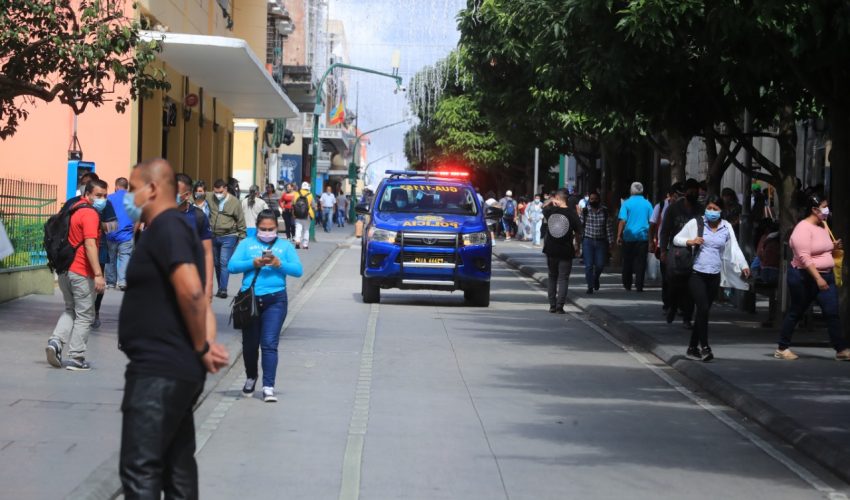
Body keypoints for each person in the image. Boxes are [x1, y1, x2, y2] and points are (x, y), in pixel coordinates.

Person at [118, 158, 228, 498]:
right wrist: (205, 343)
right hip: (173, 369)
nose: (128, 198)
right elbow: (197, 295)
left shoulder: (167, 227)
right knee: (176, 467)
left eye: (133, 190)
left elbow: (193, 292)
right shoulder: (170, 229)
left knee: (141, 468)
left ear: (151, 189)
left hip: (159, 372)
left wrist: (201, 346)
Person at [227, 209, 303, 402]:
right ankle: (251, 377)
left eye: (271, 229)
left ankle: (268, 386)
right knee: (250, 345)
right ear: (257, 228)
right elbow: (232, 266)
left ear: (277, 228)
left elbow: (298, 270)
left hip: (275, 300)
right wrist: (254, 262)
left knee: (269, 344)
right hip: (250, 300)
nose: (267, 232)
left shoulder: (285, 246)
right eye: (263, 229)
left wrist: (279, 264)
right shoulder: (247, 243)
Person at [673, 195, 750, 362]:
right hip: (696, 273)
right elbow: (676, 239)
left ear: (721, 211)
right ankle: (705, 347)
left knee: (703, 311)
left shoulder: (726, 227)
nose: (712, 212)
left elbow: (734, 248)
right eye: (709, 208)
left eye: (715, 209)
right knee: (702, 309)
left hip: (714, 275)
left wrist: (743, 265)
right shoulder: (697, 223)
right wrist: (691, 241)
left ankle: (692, 347)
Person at [775, 195, 850, 361]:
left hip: (826, 275)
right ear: (814, 210)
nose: (827, 210)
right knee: (796, 311)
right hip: (805, 277)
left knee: (832, 312)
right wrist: (818, 278)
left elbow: (821, 248)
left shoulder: (822, 226)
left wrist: (833, 246)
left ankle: (841, 349)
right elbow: (805, 257)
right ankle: (782, 347)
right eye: (824, 207)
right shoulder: (802, 229)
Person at [45, 179, 109, 371]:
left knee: (70, 309)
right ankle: (76, 357)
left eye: (105, 196)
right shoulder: (89, 214)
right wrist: (98, 274)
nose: (102, 199)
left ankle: (56, 342)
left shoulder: (72, 210)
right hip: (81, 271)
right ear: (87, 194)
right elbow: (90, 244)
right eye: (98, 195)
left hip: (65, 270)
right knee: (85, 315)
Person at [660, 179, 703, 328]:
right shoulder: (673, 209)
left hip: (694, 253)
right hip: (676, 253)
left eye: (695, 190)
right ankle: (672, 306)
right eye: (690, 190)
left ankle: (687, 317)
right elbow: (665, 231)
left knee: (691, 287)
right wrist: (663, 250)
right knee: (674, 285)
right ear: (685, 192)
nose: (693, 193)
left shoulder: (701, 209)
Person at [542, 189, 583, 313]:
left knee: (552, 277)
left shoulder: (551, 211)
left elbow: (544, 206)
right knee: (563, 278)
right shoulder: (572, 213)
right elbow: (579, 231)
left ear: (558, 199)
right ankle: (560, 306)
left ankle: (552, 305)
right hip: (566, 250)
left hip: (551, 250)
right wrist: (577, 246)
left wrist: (550, 200)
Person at [177, 173, 215, 301]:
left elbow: (207, 253)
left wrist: (208, 287)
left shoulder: (198, 217)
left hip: (192, 282)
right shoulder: (160, 214)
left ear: (187, 195)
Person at [208, 179, 246, 299]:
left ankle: (223, 289)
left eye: (220, 192)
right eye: (215, 192)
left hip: (229, 236)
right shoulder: (211, 197)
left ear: (225, 189)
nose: (217, 194)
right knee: (217, 263)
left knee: (224, 262)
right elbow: (197, 196)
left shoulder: (234, 202)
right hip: (214, 235)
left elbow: (240, 219)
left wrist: (242, 237)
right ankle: (220, 287)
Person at [617, 181, 653, 292]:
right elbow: (651, 221)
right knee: (641, 262)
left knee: (627, 261)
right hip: (643, 237)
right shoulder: (648, 204)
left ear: (631, 191)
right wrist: (652, 238)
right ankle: (639, 284)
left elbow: (622, 221)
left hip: (628, 237)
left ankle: (627, 283)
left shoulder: (626, 203)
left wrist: (619, 235)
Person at [650, 183, 680, 311]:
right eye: (675, 196)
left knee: (680, 277)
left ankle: (679, 304)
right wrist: (651, 242)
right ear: (670, 195)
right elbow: (652, 224)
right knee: (667, 276)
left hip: (682, 247)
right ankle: (667, 302)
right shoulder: (661, 206)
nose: (677, 199)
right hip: (665, 246)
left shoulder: (685, 208)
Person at [581, 190, 615, 294]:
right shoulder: (585, 211)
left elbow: (608, 227)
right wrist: (577, 242)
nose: (593, 201)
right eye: (591, 199)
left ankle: (595, 278)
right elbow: (580, 225)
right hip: (588, 241)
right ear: (589, 200)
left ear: (599, 200)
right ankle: (590, 286)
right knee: (589, 265)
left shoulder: (604, 211)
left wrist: (611, 242)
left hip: (601, 242)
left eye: (595, 199)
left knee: (600, 265)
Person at [105, 177, 135, 291]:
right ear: (127, 187)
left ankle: (111, 282)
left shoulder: (109, 198)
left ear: (116, 186)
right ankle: (123, 281)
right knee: (125, 257)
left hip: (111, 233)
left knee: (110, 258)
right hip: (127, 234)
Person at [292, 182, 315, 249]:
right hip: (307, 214)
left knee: (298, 229)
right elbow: (313, 205)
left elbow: (293, 204)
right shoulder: (310, 194)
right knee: (306, 230)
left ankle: (297, 241)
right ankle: (305, 245)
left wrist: (293, 213)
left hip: (297, 214)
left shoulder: (296, 194)